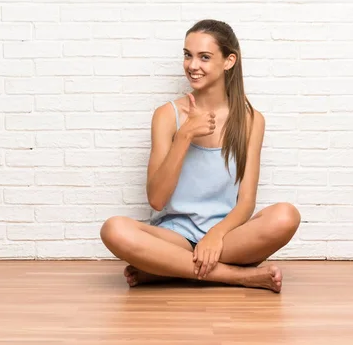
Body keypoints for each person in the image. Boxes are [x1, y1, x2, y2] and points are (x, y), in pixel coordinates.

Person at [100, 19, 301, 293]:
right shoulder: (166, 115)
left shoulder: (252, 120)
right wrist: (185, 136)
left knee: (286, 216)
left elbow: (246, 203)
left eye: (204, 57)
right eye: (188, 55)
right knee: (114, 229)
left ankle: (168, 270)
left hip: (227, 237)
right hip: (174, 237)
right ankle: (238, 276)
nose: (192, 66)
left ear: (229, 61)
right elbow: (157, 200)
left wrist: (215, 236)